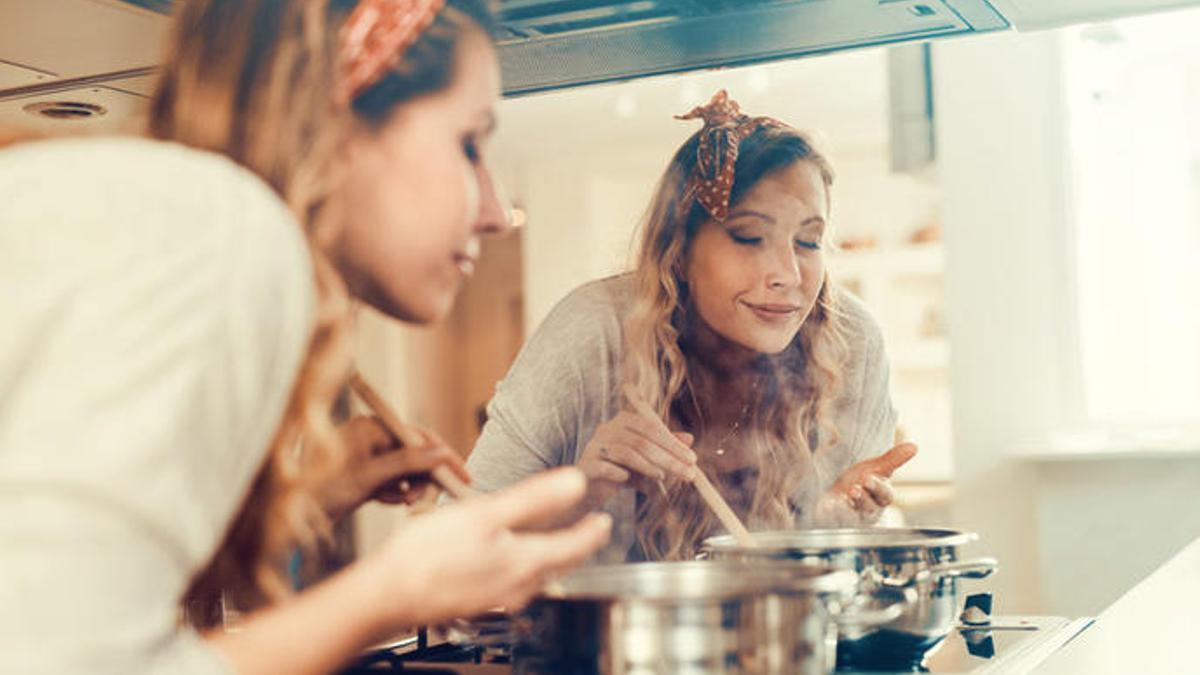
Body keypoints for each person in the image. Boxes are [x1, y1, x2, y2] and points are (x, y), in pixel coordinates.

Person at [0, 0, 611, 673]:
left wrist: (297, 503)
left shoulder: (178, 218)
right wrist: (392, 589)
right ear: (332, 116)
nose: (495, 210)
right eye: (469, 143)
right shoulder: (226, 235)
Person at [466, 90, 916, 562]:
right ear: (678, 248)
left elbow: (831, 584)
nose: (788, 273)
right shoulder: (593, 331)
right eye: (749, 237)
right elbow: (461, 540)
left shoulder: (850, 342)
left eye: (809, 241)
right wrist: (584, 491)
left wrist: (831, 530)